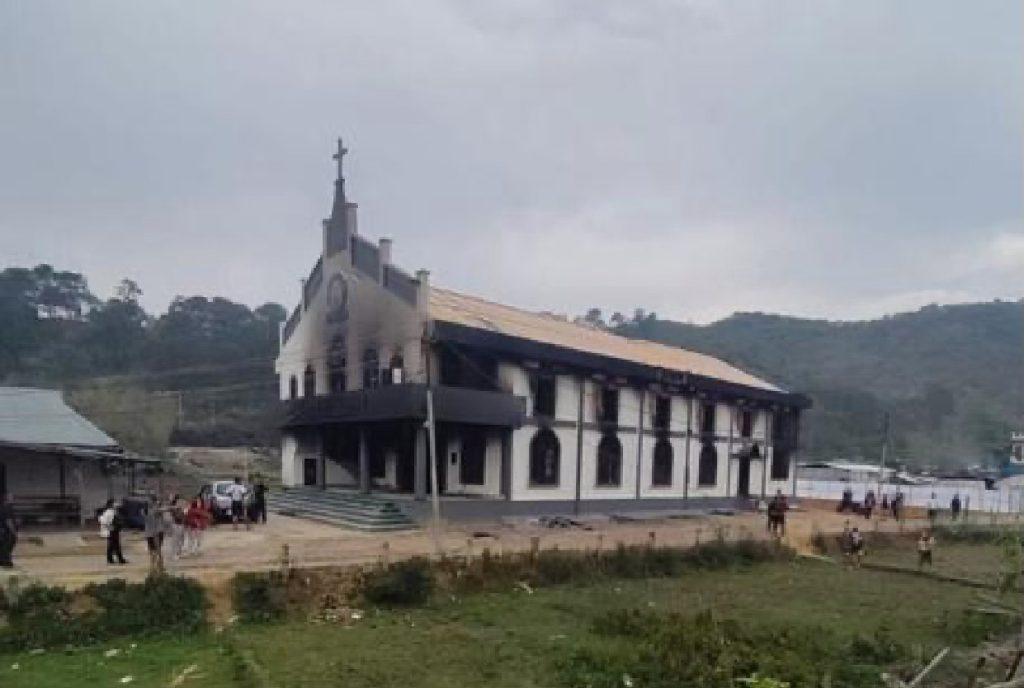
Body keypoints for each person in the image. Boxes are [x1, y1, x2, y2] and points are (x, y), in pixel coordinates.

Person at [99, 499, 127, 565]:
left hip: (115, 531)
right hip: (111, 531)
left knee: (115, 545)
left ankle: (119, 559)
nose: (116, 504)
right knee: (112, 546)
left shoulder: (113, 511)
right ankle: (112, 559)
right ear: (111, 504)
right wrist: (109, 527)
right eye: (114, 503)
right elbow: (103, 520)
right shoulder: (109, 512)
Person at [143, 497, 165, 574]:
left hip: (149, 533)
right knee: (157, 550)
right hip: (155, 533)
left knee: (153, 551)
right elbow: (164, 510)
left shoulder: (145, 511)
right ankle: (158, 564)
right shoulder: (154, 511)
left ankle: (154, 566)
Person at [0, 493, 16, 569]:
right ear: (7, 499)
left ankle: (4, 561)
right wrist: (13, 531)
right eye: (11, 498)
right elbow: (8, 521)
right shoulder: (8, 508)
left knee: (4, 547)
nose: (13, 499)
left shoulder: (2, 507)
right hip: (7, 532)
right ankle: (6, 561)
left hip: (3, 532)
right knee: (7, 547)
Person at [168, 494, 186, 560]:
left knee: (181, 540)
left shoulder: (181, 508)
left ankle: (178, 552)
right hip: (175, 524)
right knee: (175, 540)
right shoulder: (174, 507)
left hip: (181, 524)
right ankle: (174, 554)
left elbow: (183, 515)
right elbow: (172, 511)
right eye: (179, 501)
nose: (180, 502)